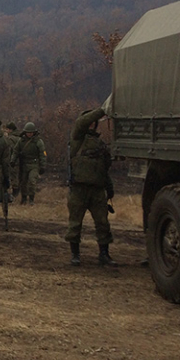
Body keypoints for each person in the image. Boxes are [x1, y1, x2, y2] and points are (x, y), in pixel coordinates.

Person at [65, 107, 117, 266]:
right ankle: (75, 255)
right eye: (90, 122)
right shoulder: (77, 138)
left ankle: (104, 254)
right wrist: (103, 110)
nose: (91, 125)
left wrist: (109, 188)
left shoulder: (100, 144)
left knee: (103, 223)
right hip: (79, 189)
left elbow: (104, 168)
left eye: (93, 123)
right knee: (75, 223)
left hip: (97, 189)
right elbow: (81, 122)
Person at [12, 121, 46, 204]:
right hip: (24, 164)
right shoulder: (21, 141)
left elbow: (42, 154)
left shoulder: (38, 141)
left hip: (34, 164)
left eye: (31, 132)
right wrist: (12, 160)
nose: (29, 134)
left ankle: (31, 199)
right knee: (23, 182)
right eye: (28, 132)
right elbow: (15, 151)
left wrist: (43, 166)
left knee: (32, 181)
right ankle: (23, 198)